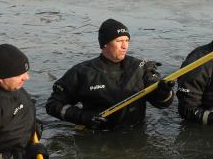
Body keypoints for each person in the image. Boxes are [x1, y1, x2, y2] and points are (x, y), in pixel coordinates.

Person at [45, 18, 174, 130]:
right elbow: (53, 105)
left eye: (127, 40)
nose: (124, 46)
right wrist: (82, 117)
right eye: (119, 41)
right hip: (97, 136)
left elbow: (162, 104)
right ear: (105, 44)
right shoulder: (82, 72)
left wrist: (163, 92)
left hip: (135, 134)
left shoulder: (139, 68)